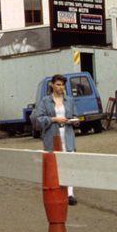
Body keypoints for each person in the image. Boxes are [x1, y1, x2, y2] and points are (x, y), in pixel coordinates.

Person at [30, 74, 78, 205]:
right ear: (52, 85)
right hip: (52, 135)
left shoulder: (69, 100)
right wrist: (54, 119)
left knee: (69, 163)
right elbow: (38, 120)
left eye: (62, 85)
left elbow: (74, 115)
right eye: (58, 84)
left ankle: (70, 194)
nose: (60, 87)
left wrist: (74, 121)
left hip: (67, 135)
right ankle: (57, 190)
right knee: (55, 163)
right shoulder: (45, 101)